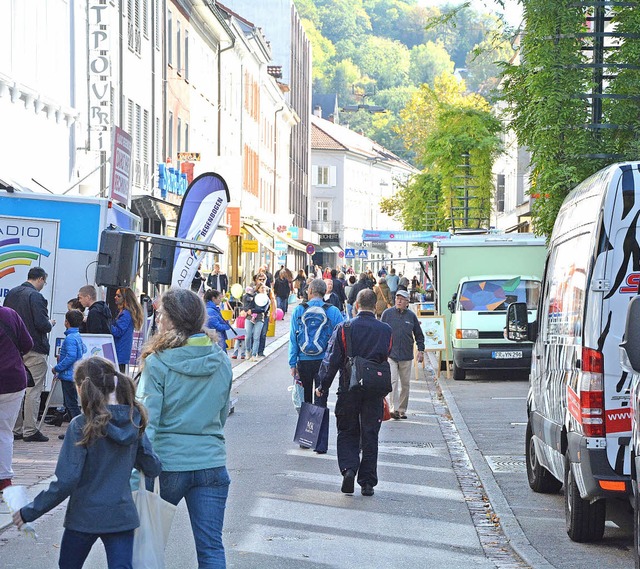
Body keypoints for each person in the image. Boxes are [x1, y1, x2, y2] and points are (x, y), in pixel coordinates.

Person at [12, 356, 162, 568]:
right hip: (121, 515)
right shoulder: (132, 419)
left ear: (81, 389)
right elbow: (152, 466)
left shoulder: (81, 425)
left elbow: (66, 480)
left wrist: (30, 511)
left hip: (83, 516)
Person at [137, 288, 233, 568]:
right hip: (211, 461)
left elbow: (147, 422)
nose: (157, 320)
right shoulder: (221, 361)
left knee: (149, 546)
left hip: (168, 464)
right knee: (212, 548)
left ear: (171, 320)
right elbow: (222, 413)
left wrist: (136, 470)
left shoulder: (157, 362)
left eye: (160, 314)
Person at [315, 289, 392, 497]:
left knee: (347, 430)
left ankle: (349, 469)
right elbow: (387, 353)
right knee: (370, 433)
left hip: (349, 387)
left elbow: (332, 360)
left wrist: (323, 385)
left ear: (356, 305)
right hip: (374, 388)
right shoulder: (385, 330)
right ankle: (367, 482)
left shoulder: (345, 328)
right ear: (375, 306)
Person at [4, 267, 55, 443]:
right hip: (34, 348)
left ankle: (16, 428)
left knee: (18, 390)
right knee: (33, 390)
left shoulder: (12, 294)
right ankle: (30, 430)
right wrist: (50, 323)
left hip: (15, 348)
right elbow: (42, 324)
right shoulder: (36, 296)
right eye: (44, 282)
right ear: (40, 279)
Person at [289, 278, 344, 406]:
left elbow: (293, 339)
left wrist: (292, 364)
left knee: (305, 399)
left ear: (310, 290)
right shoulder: (333, 311)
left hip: (303, 360)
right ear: (325, 292)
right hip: (324, 361)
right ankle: (320, 425)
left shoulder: (299, 310)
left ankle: (307, 424)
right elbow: (341, 338)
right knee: (321, 397)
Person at [0, 304, 33, 491]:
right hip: (13, 379)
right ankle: (4, 480)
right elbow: (27, 344)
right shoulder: (10, 314)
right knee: (4, 432)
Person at [381, 290, 426, 420]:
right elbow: (381, 332)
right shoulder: (387, 314)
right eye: (397, 298)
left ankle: (402, 409)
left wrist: (421, 351)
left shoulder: (411, 316)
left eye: (402, 299)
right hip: (391, 354)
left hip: (406, 355)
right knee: (393, 381)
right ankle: (394, 409)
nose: (399, 301)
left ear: (407, 302)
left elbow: (419, 335)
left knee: (405, 384)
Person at [52, 310, 87, 439]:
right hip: (74, 373)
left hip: (68, 374)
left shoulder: (69, 338)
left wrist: (58, 367)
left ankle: (78, 430)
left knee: (70, 403)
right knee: (72, 402)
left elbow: (71, 356)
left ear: (66, 322)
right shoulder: (77, 336)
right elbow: (84, 349)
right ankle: (78, 429)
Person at [111, 287, 144, 373]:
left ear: (125, 299)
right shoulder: (125, 312)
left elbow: (118, 331)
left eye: (118, 296)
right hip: (122, 351)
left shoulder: (125, 314)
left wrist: (107, 324)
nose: (115, 297)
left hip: (120, 350)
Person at [245, 282, 268, 361]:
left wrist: (253, 310)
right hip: (249, 317)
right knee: (248, 335)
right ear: (258, 289)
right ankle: (248, 350)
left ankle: (254, 354)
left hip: (259, 318)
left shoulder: (266, 298)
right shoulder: (253, 296)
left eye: (264, 288)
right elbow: (247, 305)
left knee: (256, 337)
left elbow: (264, 309)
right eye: (262, 288)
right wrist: (248, 310)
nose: (263, 289)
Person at [205, 289, 232, 353]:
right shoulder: (211, 311)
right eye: (219, 298)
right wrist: (227, 326)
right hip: (217, 336)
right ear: (213, 298)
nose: (220, 300)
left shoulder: (212, 309)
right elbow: (216, 326)